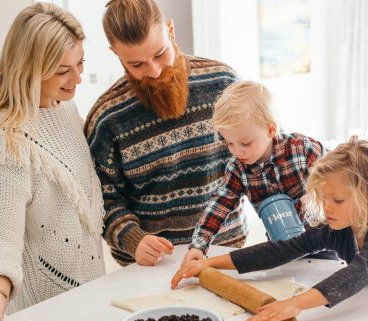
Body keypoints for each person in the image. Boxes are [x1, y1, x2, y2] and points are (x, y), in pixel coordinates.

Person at [171, 138, 368, 321]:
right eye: (325, 199)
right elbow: (282, 249)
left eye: (338, 200)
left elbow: (359, 273)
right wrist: (208, 264)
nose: (328, 208)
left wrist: (294, 304)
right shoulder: (337, 227)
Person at [85, 0, 247, 267]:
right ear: (115, 52)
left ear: (171, 30)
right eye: (136, 64)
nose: (154, 71)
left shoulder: (224, 83)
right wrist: (133, 240)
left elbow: (258, 160)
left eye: (160, 54)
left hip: (224, 253)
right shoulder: (107, 118)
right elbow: (102, 201)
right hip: (150, 267)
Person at [0, 3, 105, 321]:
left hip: (93, 290)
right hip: (47, 312)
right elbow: (4, 237)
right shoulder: (10, 138)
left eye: (80, 63)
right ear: (30, 68)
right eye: (63, 70)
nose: (77, 77)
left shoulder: (67, 109)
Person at [182, 80, 335, 264]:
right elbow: (220, 205)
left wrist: (317, 194)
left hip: (324, 242)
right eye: (229, 143)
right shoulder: (238, 168)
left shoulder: (303, 149)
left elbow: (340, 177)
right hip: (281, 247)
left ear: (270, 129)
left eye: (245, 143)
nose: (237, 151)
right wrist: (199, 245)